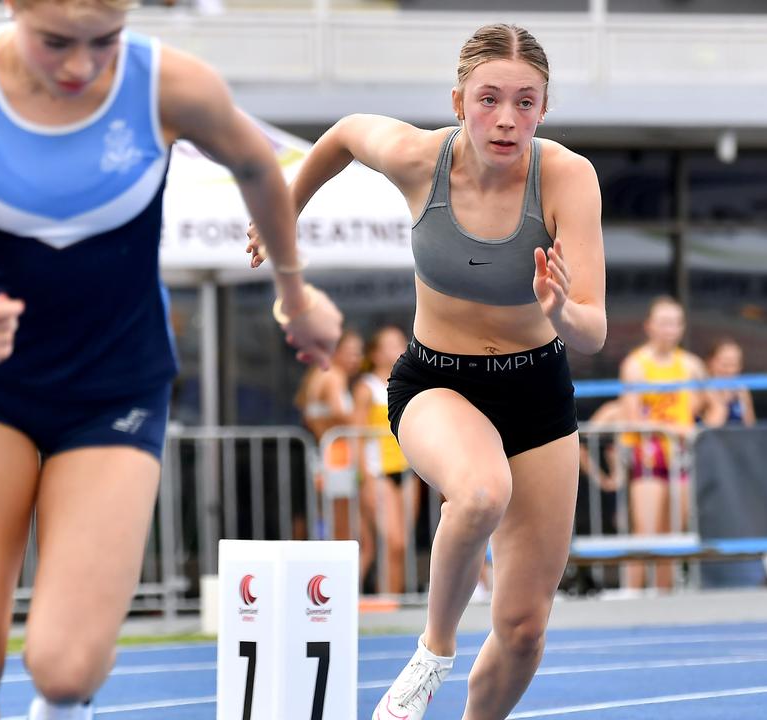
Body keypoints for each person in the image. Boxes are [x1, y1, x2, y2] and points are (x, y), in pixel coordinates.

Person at [0, 0, 342, 716]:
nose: (81, 66)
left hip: (114, 389)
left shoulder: (171, 86)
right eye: (56, 42)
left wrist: (294, 292)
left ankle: (77, 675)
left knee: (65, 668)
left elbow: (258, 168)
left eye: (106, 42)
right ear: (13, 9)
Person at [249, 22, 605, 720]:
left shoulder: (566, 178)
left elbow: (591, 331)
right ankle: (432, 654)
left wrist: (560, 309)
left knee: (525, 629)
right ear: (457, 100)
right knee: (478, 494)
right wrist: (289, 206)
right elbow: (348, 132)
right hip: (439, 381)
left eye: (526, 102)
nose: (506, 119)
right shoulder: (419, 159)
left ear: (544, 108)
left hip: (537, 388)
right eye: (489, 98)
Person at [618, 295, 706, 591]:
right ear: (649, 327)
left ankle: (665, 597)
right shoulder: (636, 364)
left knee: (673, 534)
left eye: (675, 323)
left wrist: (701, 428)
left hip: (679, 455)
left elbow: (712, 403)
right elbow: (631, 417)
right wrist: (667, 429)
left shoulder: (691, 365)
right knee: (646, 532)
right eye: (663, 323)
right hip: (650, 455)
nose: (669, 329)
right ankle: (633, 593)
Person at [297, 330, 372, 575]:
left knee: (341, 529)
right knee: (345, 532)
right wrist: (368, 415)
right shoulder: (333, 376)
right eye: (351, 351)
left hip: (326, 459)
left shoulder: (317, 376)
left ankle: (341, 586)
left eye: (359, 352)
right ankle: (340, 588)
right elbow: (341, 412)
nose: (356, 358)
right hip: (337, 460)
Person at [353, 324, 414, 595]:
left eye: (401, 342)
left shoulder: (408, 382)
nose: (398, 349)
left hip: (407, 470)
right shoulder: (367, 388)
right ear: (376, 354)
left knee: (402, 546)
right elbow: (355, 434)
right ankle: (384, 603)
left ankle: (394, 602)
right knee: (392, 541)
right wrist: (362, 475)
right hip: (377, 472)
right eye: (390, 344)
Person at [700, 336, 756, 428]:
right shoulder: (700, 390)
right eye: (724, 364)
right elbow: (709, 432)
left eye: (734, 364)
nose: (728, 370)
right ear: (709, 362)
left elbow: (750, 428)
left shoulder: (741, 390)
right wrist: (718, 404)